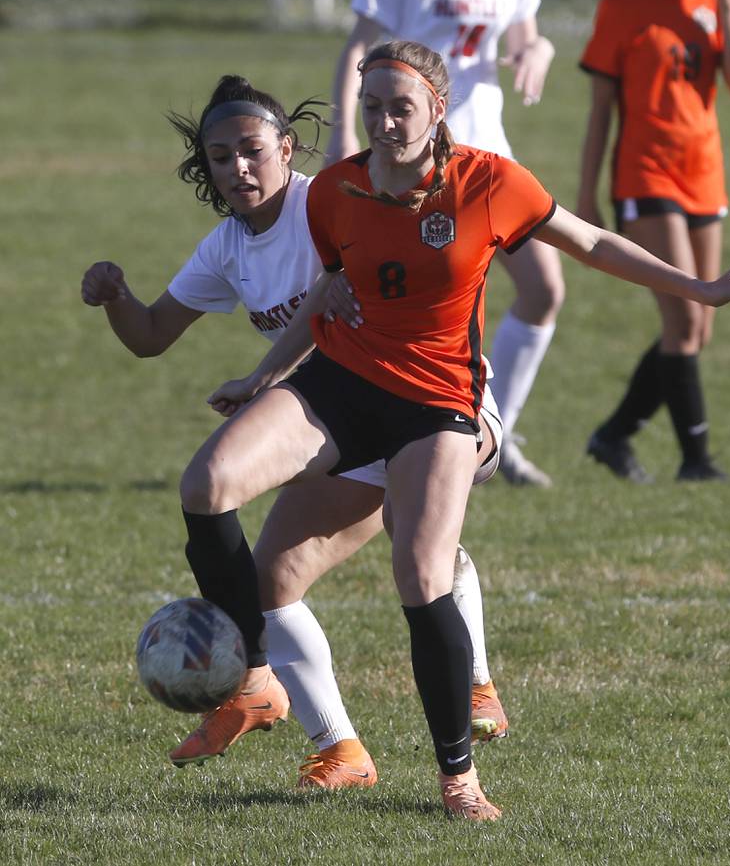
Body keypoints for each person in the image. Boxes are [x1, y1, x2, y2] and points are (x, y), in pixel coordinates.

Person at [154, 44, 730, 820]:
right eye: (371, 106)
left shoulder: (490, 182)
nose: (382, 120)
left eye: (398, 106)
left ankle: (458, 778)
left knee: (420, 572)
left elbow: (594, 244)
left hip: (437, 399)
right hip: (339, 384)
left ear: (437, 107)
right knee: (205, 484)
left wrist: (701, 289)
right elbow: (330, 292)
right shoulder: (335, 190)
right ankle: (253, 675)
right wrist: (264, 377)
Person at [81, 75, 508, 791]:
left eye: (252, 151)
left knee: (419, 536)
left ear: (287, 147)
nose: (238, 169)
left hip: (438, 403)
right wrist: (118, 298)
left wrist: (270, 380)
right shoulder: (228, 247)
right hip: (337, 423)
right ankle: (337, 745)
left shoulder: (334, 199)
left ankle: (475, 684)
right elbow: (152, 335)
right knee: (270, 582)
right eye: (220, 157)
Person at [327, 0, 563, 487]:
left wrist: (539, 50)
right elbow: (358, 49)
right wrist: (342, 129)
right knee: (384, 301)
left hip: (485, 154)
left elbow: (523, 38)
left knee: (543, 291)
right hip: (415, 155)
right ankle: (370, 434)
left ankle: (498, 435)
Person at [577, 0, 730, 482]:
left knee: (700, 328)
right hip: (645, 176)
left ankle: (613, 436)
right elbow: (601, 111)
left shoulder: (711, 4)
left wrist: (729, 8)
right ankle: (695, 462)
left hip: (703, 176)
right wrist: (587, 194)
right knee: (683, 317)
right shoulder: (622, 5)